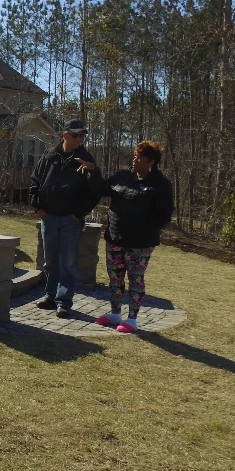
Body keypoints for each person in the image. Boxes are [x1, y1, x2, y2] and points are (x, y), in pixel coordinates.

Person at [77, 140, 174, 334]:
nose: (135, 160)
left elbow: (164, 215)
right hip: (115, 238)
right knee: (115, 277)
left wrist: (144, 230)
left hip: (140, 243)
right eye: (135, 156)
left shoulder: (160, 185)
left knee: (135, 279)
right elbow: (102, 189)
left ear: (151, 162)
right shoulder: (122, 176)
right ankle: (114, 313)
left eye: (140, 158)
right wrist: (93, 171)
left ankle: (132, 319)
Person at [29, 119, 102, 318]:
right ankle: (50, 296)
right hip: (49, 217)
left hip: (70, 220)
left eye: (82, 135)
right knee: (50, 261)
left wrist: (78, 213)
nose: (79, 139)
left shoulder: (86, 160)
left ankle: (64, 302)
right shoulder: (50, 155)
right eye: (75, 135)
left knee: (68, 263)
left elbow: (96, 192)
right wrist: (37, 207)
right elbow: (35, 181)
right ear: (65, 135)